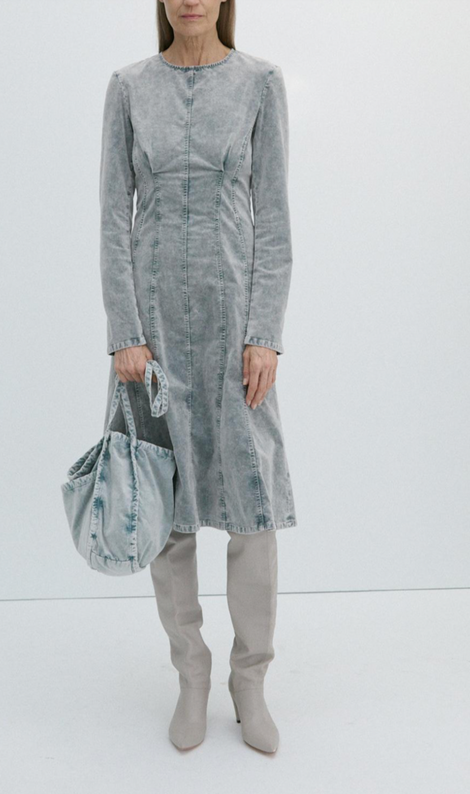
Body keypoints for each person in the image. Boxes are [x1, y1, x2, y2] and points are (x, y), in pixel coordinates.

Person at [99, 0, 297, 752]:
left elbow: (274, 218)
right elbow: (112, 217)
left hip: (234, 333)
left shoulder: (259, 84)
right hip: (152, 340)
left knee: (252, 513)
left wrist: (264, 334)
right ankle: (191, 674)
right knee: (166, 512)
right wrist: (126, 333)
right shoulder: (128, 88)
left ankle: (251, 680)